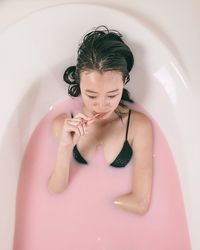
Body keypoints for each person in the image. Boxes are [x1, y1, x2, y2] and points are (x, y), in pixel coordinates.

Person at [47, 25, 153, 215]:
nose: (102, 105)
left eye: (112, 95)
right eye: (92, 95)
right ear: (79, 82)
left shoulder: (138, 126)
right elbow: (55, 190)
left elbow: (140, 203)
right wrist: (64, 148)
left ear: (125, 82)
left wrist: (95, 205)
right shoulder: (63, 124)